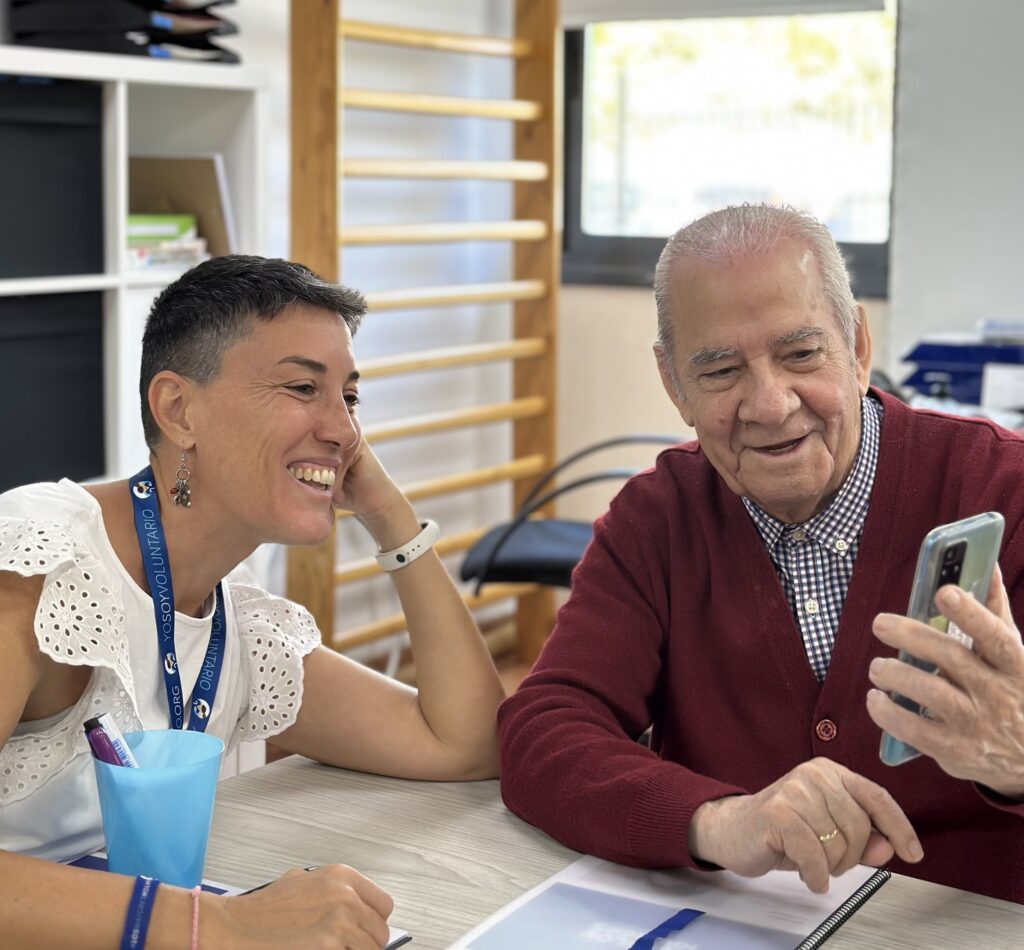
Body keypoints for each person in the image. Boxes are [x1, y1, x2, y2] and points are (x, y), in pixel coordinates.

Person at [498, 204, 1024, 904]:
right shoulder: (656, 520)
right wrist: (719, 821)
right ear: (674, 385)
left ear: (858, 345)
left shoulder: (1005, 493)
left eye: (801, 354)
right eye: (719, 371)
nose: (771, 405)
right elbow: (544, 732)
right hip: (743, 925)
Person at [0, 255, 506, 948]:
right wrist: (224, 925)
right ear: (178, 410)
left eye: (350, 399)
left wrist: (391, 516)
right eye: (304, 387)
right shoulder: (38, 560)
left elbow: (465, 741)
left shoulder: (239, 627)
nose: (344, 431)